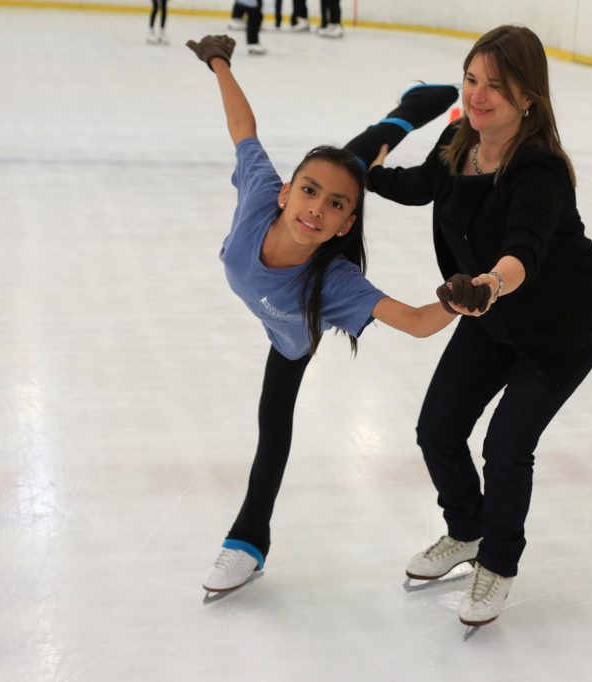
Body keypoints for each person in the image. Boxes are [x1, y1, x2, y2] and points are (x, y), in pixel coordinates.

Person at [183, 35, 464, 593]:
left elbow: (412, 320)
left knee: (273, 430)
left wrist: (463, 298)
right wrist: (219, 62)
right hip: (295, 260)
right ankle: (416, 106)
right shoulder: (263, 194)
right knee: (349, 163)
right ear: (284, 193)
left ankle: (247, 540)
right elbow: (243, 128)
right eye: (306, 193)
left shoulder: (334, 284)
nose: (316, 207)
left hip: (291, 338)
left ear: (347, 227)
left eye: (335, 208)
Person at [366, 24, 592, 627]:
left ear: (528, 96)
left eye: (495, 88)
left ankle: (498, 565)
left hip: (562, 325)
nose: (477, 96)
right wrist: (363, 173)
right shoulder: (461, 139)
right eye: (471, 79)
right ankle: (468, 531)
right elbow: (418, 186)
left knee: (506, 446)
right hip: (492, 315)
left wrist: (486, 286)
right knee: (437, 430)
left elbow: (523, 252)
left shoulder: (541, 171)